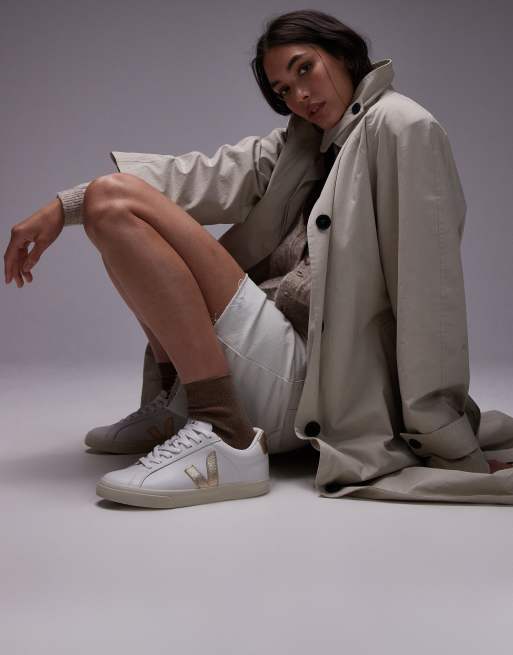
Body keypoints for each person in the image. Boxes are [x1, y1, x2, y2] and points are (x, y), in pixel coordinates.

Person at [5, 10, 513, 509]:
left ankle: (224, 430)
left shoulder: (402, 127)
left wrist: (444, 438)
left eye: (304, 69)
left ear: (342, 53)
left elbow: (430, 298)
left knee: (113, 201)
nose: (300, 96)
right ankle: (178, 405)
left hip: (315, 387)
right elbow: (196, 177)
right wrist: (64, 207)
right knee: (108, 208)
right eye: (283, 90)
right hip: (272, 353)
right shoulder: (302, 142)